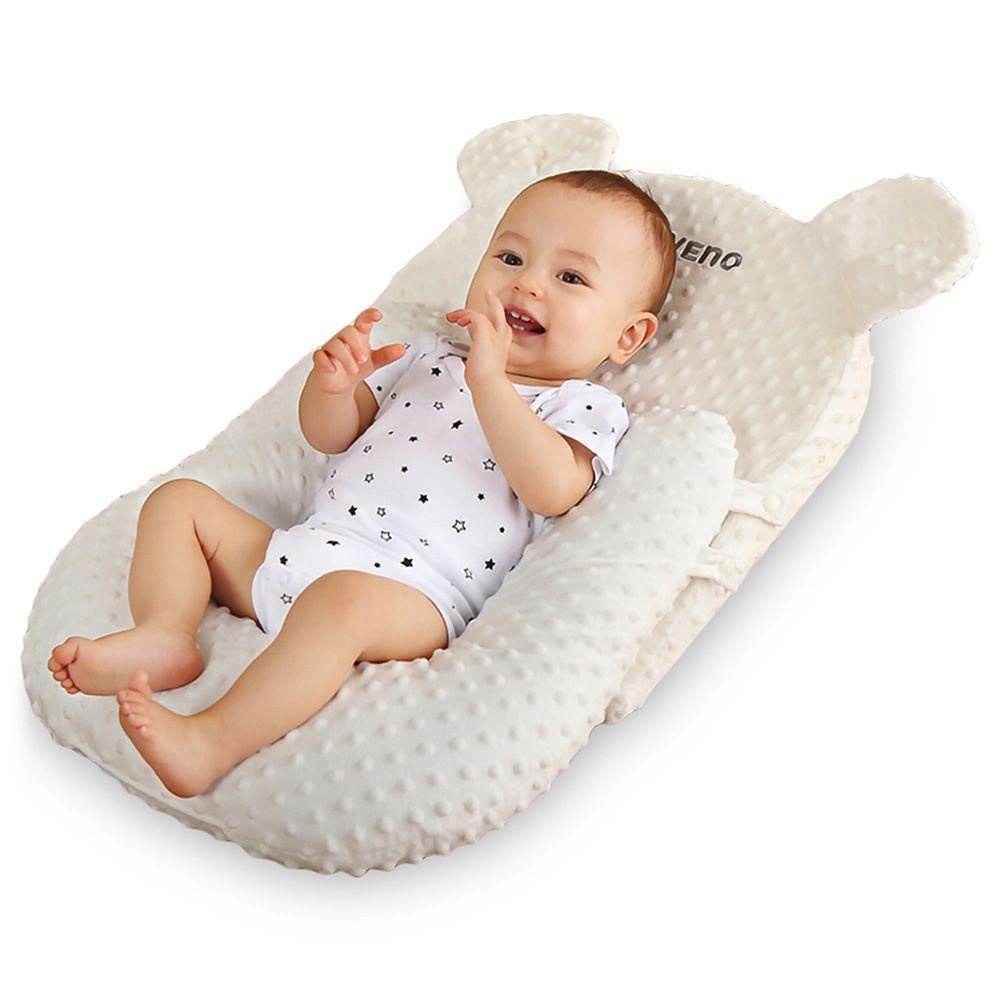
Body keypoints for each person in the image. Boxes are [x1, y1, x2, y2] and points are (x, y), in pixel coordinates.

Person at [46, 168, 676, 798]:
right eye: (510, 258)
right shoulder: (427, 355)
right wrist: (333, 388)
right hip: (301, 550)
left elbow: (552, 489)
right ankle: (165, 633)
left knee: (341, 601)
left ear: (627, 336)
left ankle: (210, 742)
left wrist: (490, 383)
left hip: (411, 595)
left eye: (570, 278)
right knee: (178, 503)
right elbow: (332, 434)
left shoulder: (582, 406)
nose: (527, 283)